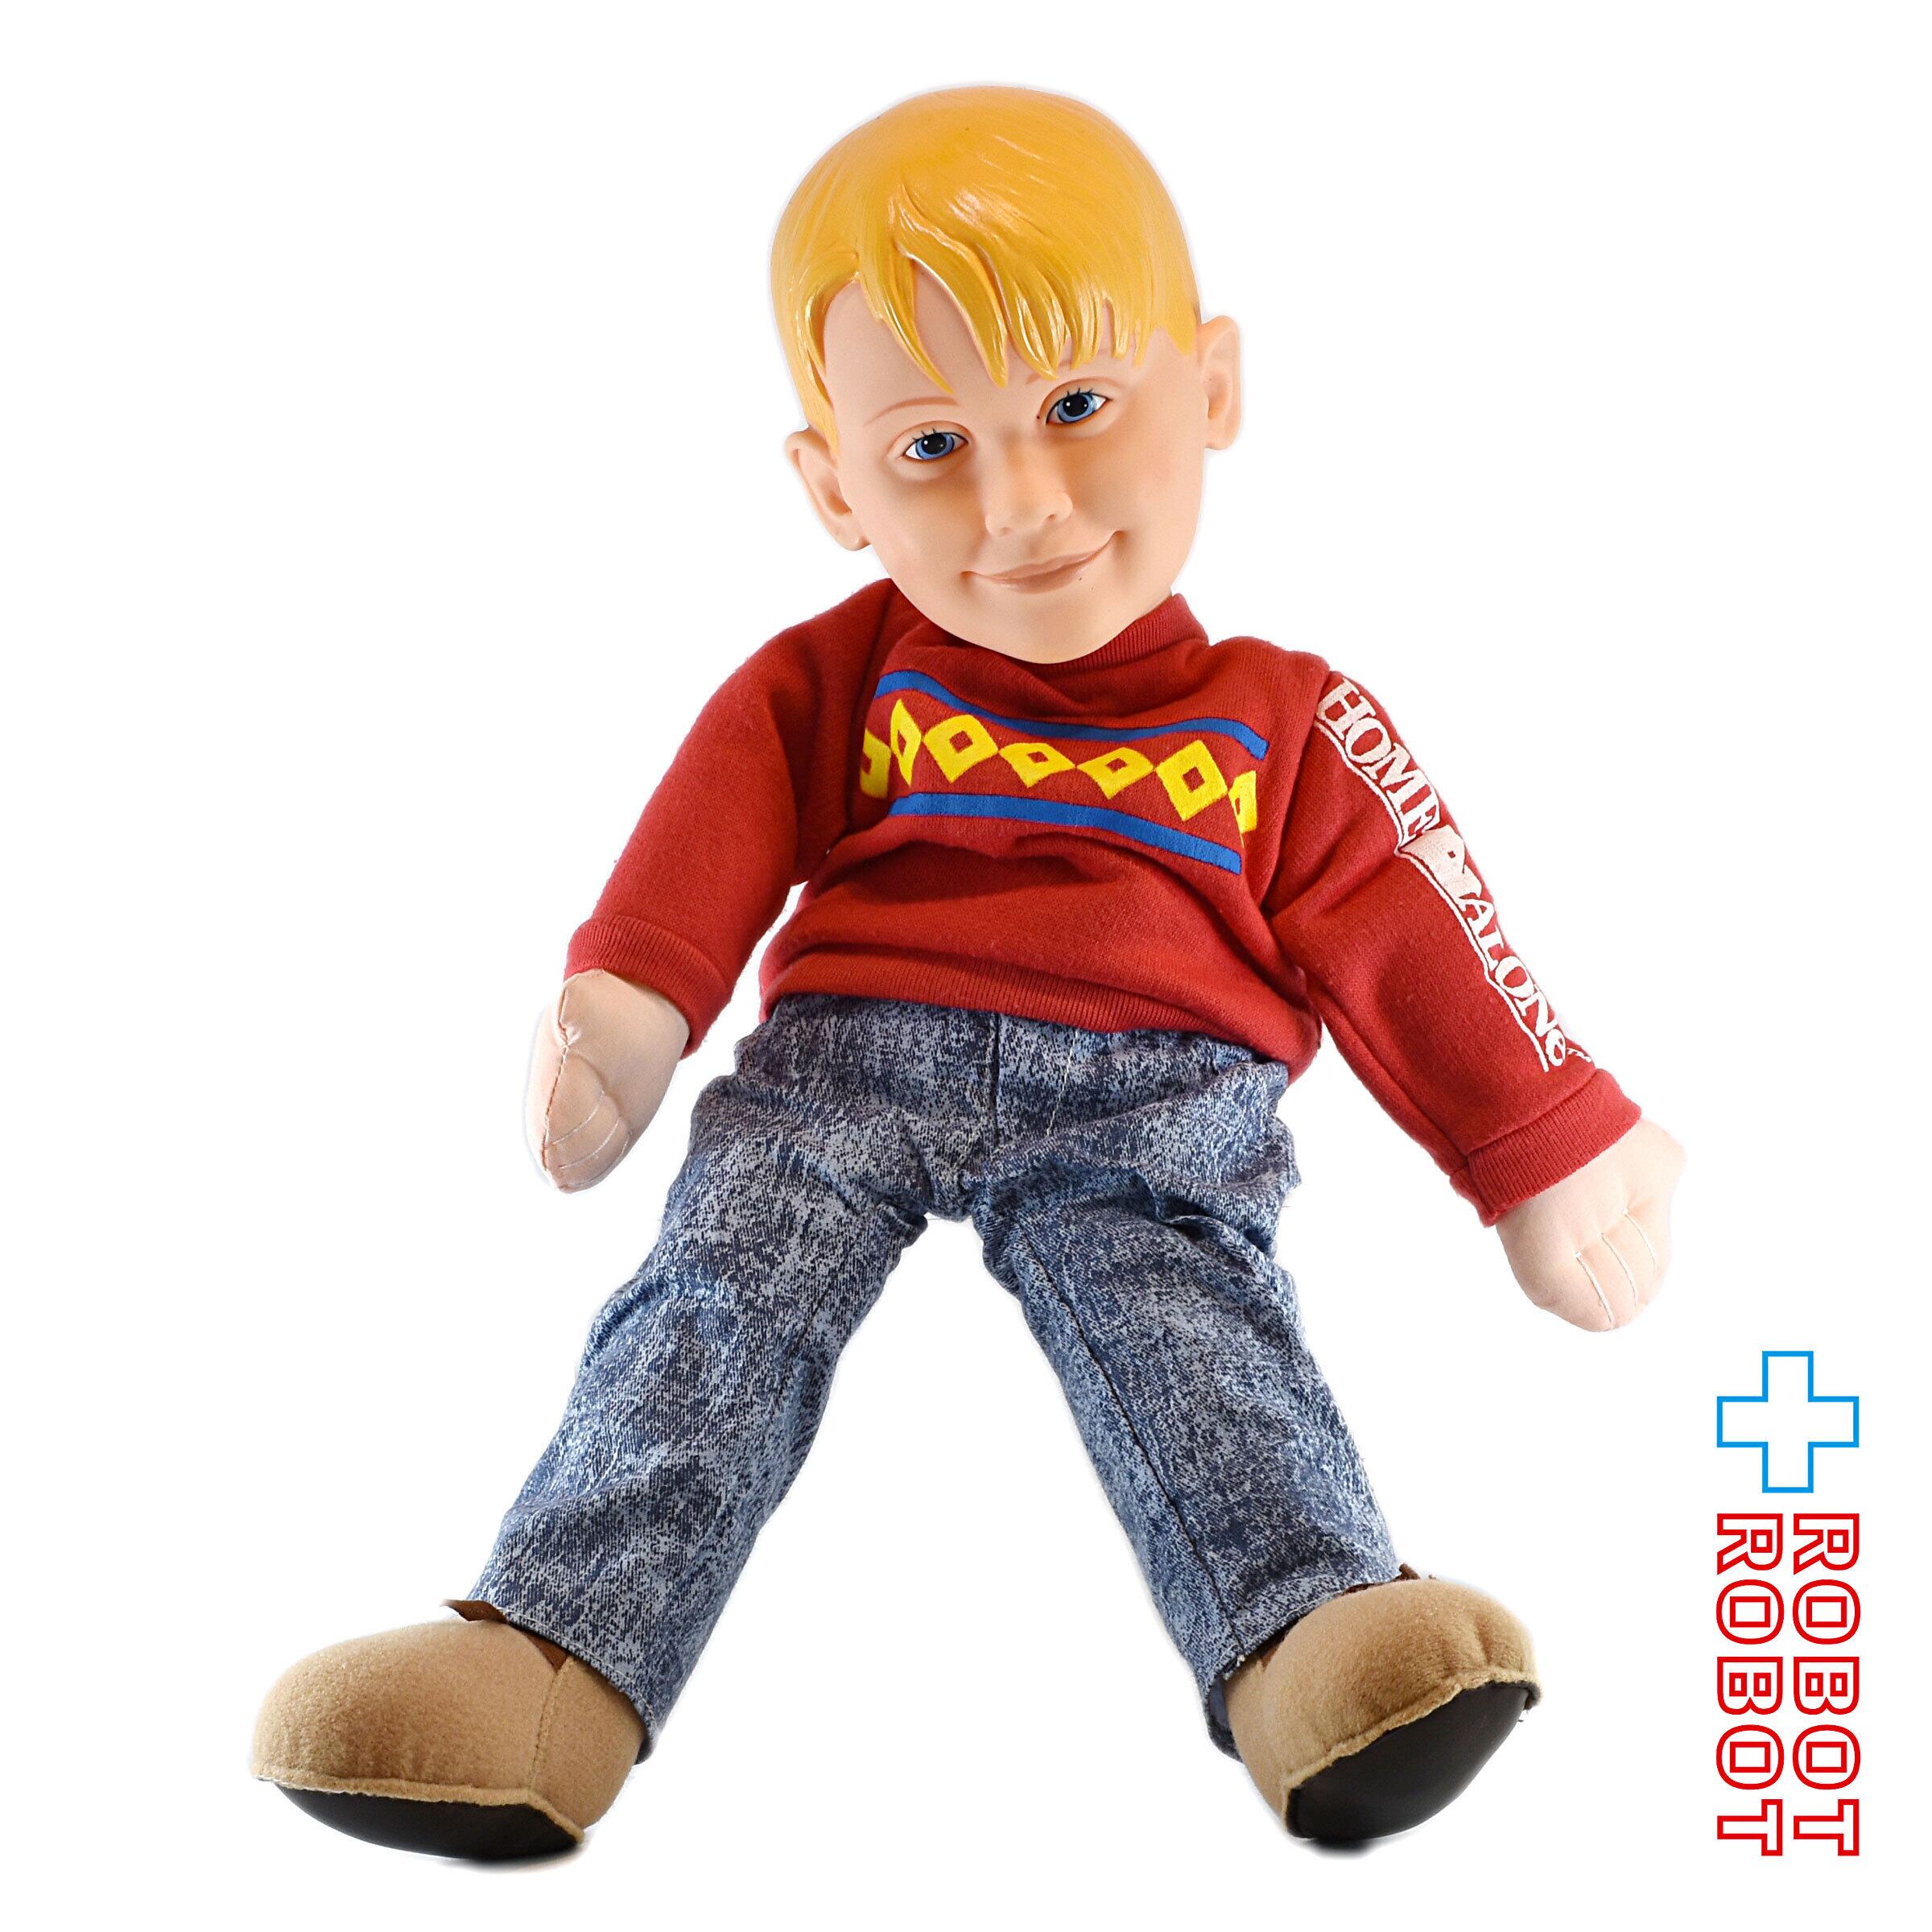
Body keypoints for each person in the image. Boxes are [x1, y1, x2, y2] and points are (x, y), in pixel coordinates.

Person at [254, 85, 1683, 1860]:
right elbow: (715, 824)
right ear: (833, 488)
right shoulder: (839, 675)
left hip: (1153, 1089)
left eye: (1078, 407)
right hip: (841, 1063)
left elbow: (1422, 928)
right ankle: (550, 1662)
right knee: (719, 1295)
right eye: (931, 445)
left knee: (1187, 1328)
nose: (1020, 505)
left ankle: (1310, 1634)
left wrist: (1546, 1142)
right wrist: (629, 1010)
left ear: (1213, 387)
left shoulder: (1287, 718)